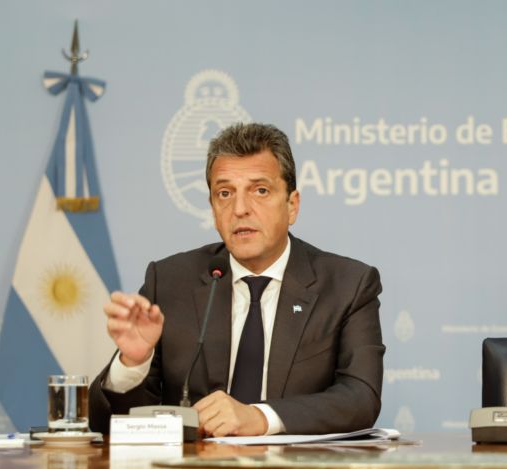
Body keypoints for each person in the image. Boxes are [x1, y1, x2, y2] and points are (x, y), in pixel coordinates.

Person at [89, 123, 385, 437]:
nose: (240, 209)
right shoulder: (170, 282)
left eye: (260, 190)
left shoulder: (347, 285)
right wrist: (133, 363)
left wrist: (259, 417)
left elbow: (360, 398)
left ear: (292, 205)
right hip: (196, 468)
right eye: (225, 194)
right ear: (213, 210)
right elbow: (107, 422)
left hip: (296, 468)